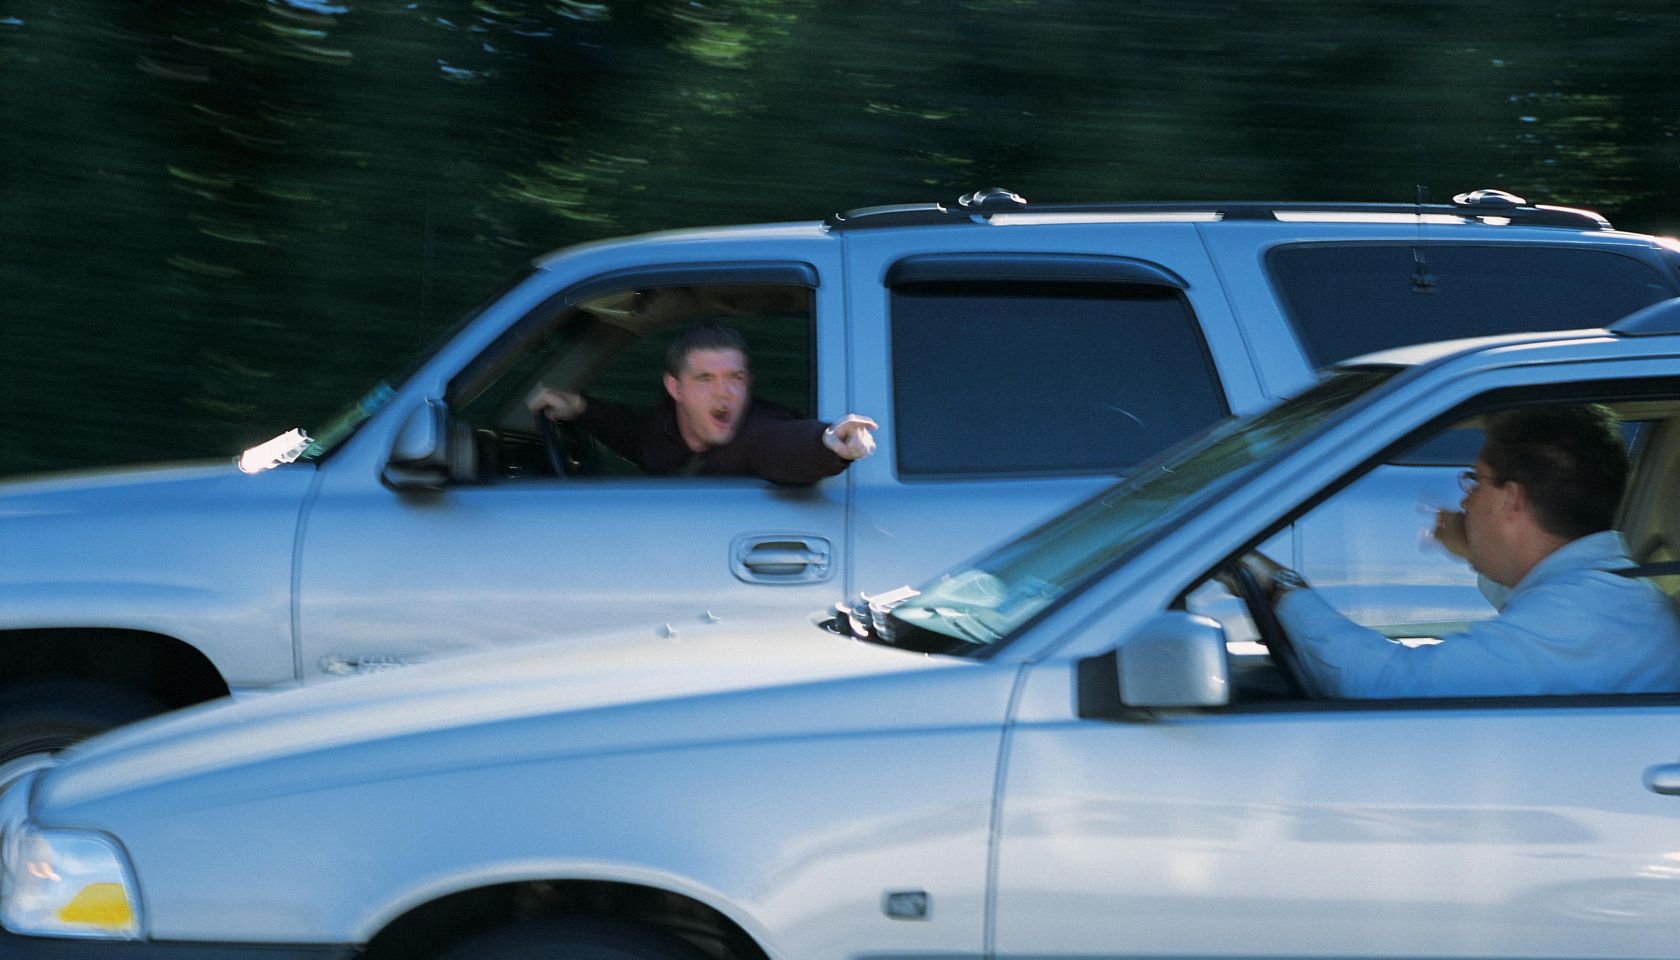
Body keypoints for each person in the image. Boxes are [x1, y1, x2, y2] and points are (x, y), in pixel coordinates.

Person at [1233, 405, 1680, 699]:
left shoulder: (1580, 616)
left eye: (1475, 480)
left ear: (1512, 499)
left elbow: (1388, 688)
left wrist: (1280, 586)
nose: (1465, 500)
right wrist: (1475, 552)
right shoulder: (1606, 597)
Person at [526, 323, 877, 484]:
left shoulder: (758, 433)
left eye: (735, 378)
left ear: (748, 383)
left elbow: (786, 444)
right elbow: (633, 433)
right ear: (675, 387)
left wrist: (830, 444)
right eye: (705, 379)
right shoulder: (662, 429)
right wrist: (580, 408)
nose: (724, 393)